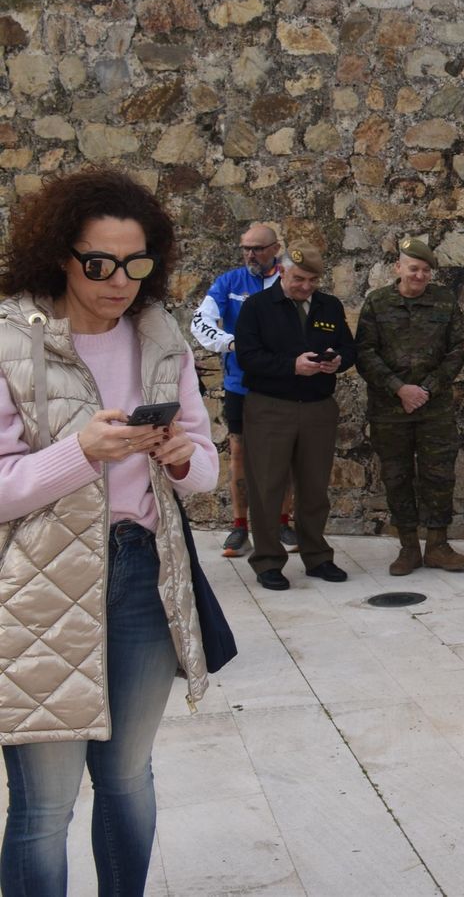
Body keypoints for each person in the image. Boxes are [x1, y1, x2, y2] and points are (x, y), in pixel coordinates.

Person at [0, 168, 219, 895]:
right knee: (46, 804)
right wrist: (81, 453)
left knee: (127, 777)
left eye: (137, 263)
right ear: (60, 255)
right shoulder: (10, 341)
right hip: (41, 587)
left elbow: (206, 468)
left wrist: (185, 458)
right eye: (99, 263)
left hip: (142, 574)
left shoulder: (162, 339)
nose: (119, 281)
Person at [233, 246, 356, 590]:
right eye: (299, 279)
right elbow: (248, 357)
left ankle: (317, 556)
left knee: (315, 486)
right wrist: (291, 366)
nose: (306, 286)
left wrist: (337, 361)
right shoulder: (257, 307)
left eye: (313, 280)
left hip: (318, 406)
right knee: (268, 486)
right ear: (282, 273)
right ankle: (268, 561)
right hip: (271, 407)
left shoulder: (328, 305)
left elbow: (348, 348)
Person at [355, 236, 464, 576]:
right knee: (396, 475)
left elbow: (456, 352)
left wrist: (426, 390)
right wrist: (399, 389)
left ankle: (437, 545)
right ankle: (408, 547)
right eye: (413, 268)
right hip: (390, 411)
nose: (420, 275)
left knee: (439, 475)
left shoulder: (445, 303)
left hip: (434, 410)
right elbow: (364, 353)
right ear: (398, 268)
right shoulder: (377, 304)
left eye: (425, 270)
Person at [191, 222, 296, 558]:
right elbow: (201, 321)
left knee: (285, 454)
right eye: (246, 248)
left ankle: (283, 521)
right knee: (239, 453)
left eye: (258, 248)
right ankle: (240, 527)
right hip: (241, 383)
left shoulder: (290, 279)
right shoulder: (230, 282)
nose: (251, 254)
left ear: (275, 248)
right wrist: (233, 343)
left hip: (283, 382)